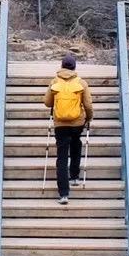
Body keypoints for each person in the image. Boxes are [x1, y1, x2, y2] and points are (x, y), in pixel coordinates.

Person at [44, 54, 93, 204]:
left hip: (60, 124)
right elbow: (88, 105)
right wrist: (89, 118)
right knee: (76, 144)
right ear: (74, 67)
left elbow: (47, 103)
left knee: (62, 157)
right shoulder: (81, 83)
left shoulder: (54, 82)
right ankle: (75, 177)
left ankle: (64, 194)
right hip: (77, 123)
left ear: (62, 66)